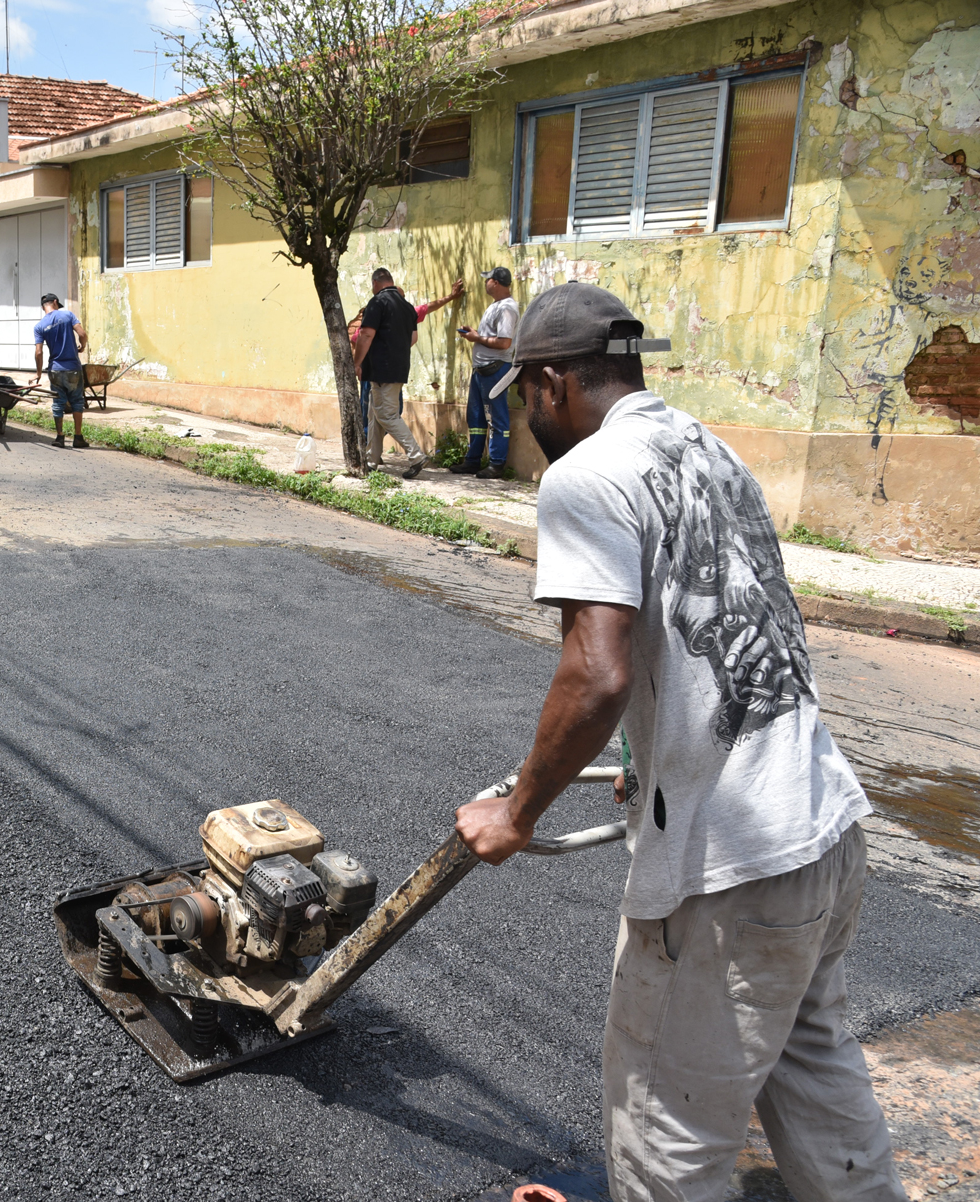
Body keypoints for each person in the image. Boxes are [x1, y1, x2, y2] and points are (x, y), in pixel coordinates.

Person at [454, 282, 902, 1202]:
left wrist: (516, 811)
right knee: (819, 1089)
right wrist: (648, 765)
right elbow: (722, 627)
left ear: (547, 384)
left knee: (665, 1140)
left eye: (524, 398)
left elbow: (598, 672)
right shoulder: (709, 447)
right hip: (823, 826)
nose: (530, 418)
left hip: (728, 872)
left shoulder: (585, 477)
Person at [349, 268, 427, 478]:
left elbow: (365, 335)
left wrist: (357, 363)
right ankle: (371, 460)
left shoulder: (378, 302)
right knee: (374, 413)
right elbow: (412, 339)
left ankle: (416, 456)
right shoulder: (407, 306)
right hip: (397, 367)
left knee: (386, 414)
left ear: (376, 283)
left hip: (382, 369)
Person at [453, 267, 518, 479]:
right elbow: (492, 337)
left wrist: (477, 338)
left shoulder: (507, 308)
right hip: (481, 370)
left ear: (496, 283)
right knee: (476, 417)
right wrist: (475, 334)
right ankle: (473, 460)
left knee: (497, 417)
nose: (485, 283)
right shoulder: (495, 306)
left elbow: (504, 342)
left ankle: (497, 463)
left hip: (496, 370)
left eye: (487, 280)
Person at [29, 294, 88, 449]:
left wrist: (38, 373)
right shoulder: (67, 315)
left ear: (43, 307)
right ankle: (78, 437)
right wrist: (83, 346)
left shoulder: (39, 326)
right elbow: (82, 334)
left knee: (58, 403)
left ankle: (60, 437)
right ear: (55, 302)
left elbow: (39, 352)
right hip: (73, 368)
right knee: (77, 401)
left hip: (55, 369)